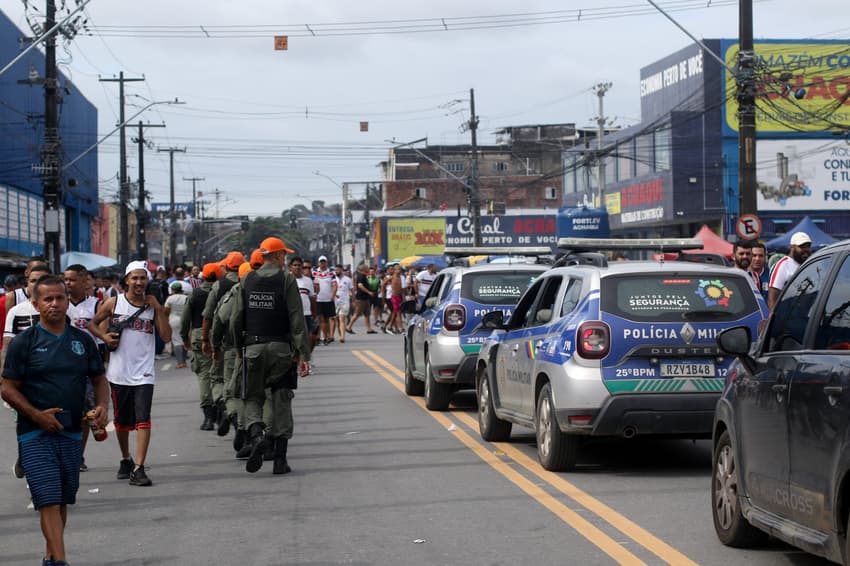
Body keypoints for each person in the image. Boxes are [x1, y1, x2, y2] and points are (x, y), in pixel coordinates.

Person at [1, 274, 109, 566]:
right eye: (47, 299)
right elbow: (7, 388)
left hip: (72, 432)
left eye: (60, 298)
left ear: (67, 301)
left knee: (61, 499)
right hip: (34, 433)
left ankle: (51, 557)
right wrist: (37, 415)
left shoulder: (81, 340)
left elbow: (99, 379)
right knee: (47, 498)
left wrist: (101, 407)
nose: (55, 304)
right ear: (35, 304)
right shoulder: (24, 343)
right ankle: (61, 561)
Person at [230, 237, 310, 475]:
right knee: (281, 399)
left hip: (253, 348)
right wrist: (303, 353)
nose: (285, 259)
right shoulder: (286, 279)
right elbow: (296, 317)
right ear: (276, 256)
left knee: (252, 396)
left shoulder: (247, 280)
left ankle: (256, 436)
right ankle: (280, 460)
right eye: (283, 255)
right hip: (281, 350)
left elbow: (236, 318)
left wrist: (238, 347)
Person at [87, 261, 171, 487]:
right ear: (126, 280)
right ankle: (126, 459)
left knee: (143, 418)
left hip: (144, 373)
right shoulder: (114, 303)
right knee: (122, 422)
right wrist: (104, 337)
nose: (139, 282)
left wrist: (159, 309)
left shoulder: (153, 306)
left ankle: (139, 467)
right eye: (134, 278)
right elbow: (92, 324)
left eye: (143, 278)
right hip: (118, 373)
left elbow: (166, 336)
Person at [64, 264, 104, 472]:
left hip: (88, 366)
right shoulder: (60, 304)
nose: (68, 283)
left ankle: (78, 455)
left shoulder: (96, 305)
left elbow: (102, 334)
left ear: (84, 281)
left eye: (72, 280)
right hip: (64, 366)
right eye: (66, 280)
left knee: (86, 416)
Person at [211, 261, 253, 456]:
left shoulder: (230, 290)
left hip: (236, 350)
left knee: (234, 391)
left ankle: (238, 423)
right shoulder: (271, 288)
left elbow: (220, 318)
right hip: (265, 347)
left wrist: (214, 344)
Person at [201, 251, 245, 434]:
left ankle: (229, 410)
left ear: (226, 267)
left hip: (226, 342)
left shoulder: (219, 285)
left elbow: (210, 316)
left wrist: (208, 340)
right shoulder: (248, 282)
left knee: (219, 378)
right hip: (247, 340)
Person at [181, 263, 220, 430]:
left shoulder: (195, 294)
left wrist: (185, 338)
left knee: (204, 375)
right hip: (222, 336)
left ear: (202, 277)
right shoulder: (224, 291)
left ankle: (209, 418)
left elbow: (185, 319)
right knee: (221, 374)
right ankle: (223, 408)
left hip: (198, 336)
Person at [768, 231, 813, 311]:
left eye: (808, 246)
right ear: (792, 247)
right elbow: (773, 295)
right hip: (787, 316)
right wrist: (774, 318)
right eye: (802, 246)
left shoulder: (810, 263)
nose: (806, 249)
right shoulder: (783, 265)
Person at [290, 256, 319, 352]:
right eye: (295, 265)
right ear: (290, 267)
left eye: (299, 265)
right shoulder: (286, 279)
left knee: (310, 338)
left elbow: (312, 298)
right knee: (294, 339)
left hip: (306, 314)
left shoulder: (308, 281)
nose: (297, 267)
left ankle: (306, 358)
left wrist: (314, 314)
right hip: (292, 315)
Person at [312, 255, 337, 345]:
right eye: (321, 262)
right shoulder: (314, 273)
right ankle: (323, 337)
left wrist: (333, 295)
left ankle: (327, 336)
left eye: (324, 262)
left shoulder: (331, 273)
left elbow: (334, 285)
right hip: (318, 299)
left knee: (327, 319)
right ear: (318, 263)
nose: (322, 264)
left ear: (326, 263)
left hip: (328, 299)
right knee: (320, 319)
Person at [164, 281, 189, 368]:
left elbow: (166, 310)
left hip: (174, 320)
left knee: (176, 341)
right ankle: (184, 361)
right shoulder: (186, 298)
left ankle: (180, 362)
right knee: (184, 339)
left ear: (173, 290)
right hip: (185, 320)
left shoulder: (170, 299)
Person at [347, 264, 376, 334]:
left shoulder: (364, 276)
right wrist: (369, 292)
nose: (368, 269)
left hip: (365, 298)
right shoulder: (360, 276)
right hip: (361, 298)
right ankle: (348, 327)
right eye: (367, 268)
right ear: (363, 269)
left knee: (367, 314)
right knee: (357, 313)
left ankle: (369, 329)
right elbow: (360, 286)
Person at [333, 264, 353, 343]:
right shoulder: (333, 279)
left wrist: (353, 301)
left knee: (342, 318)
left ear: (341, 270)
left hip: (345, 301)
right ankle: (340, 334)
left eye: (338, 270)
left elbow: (352, 290)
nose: (336, 271)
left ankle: (343, 336)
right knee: (337, 320)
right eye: (335, 270)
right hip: (335, 302)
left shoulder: (347, 280)